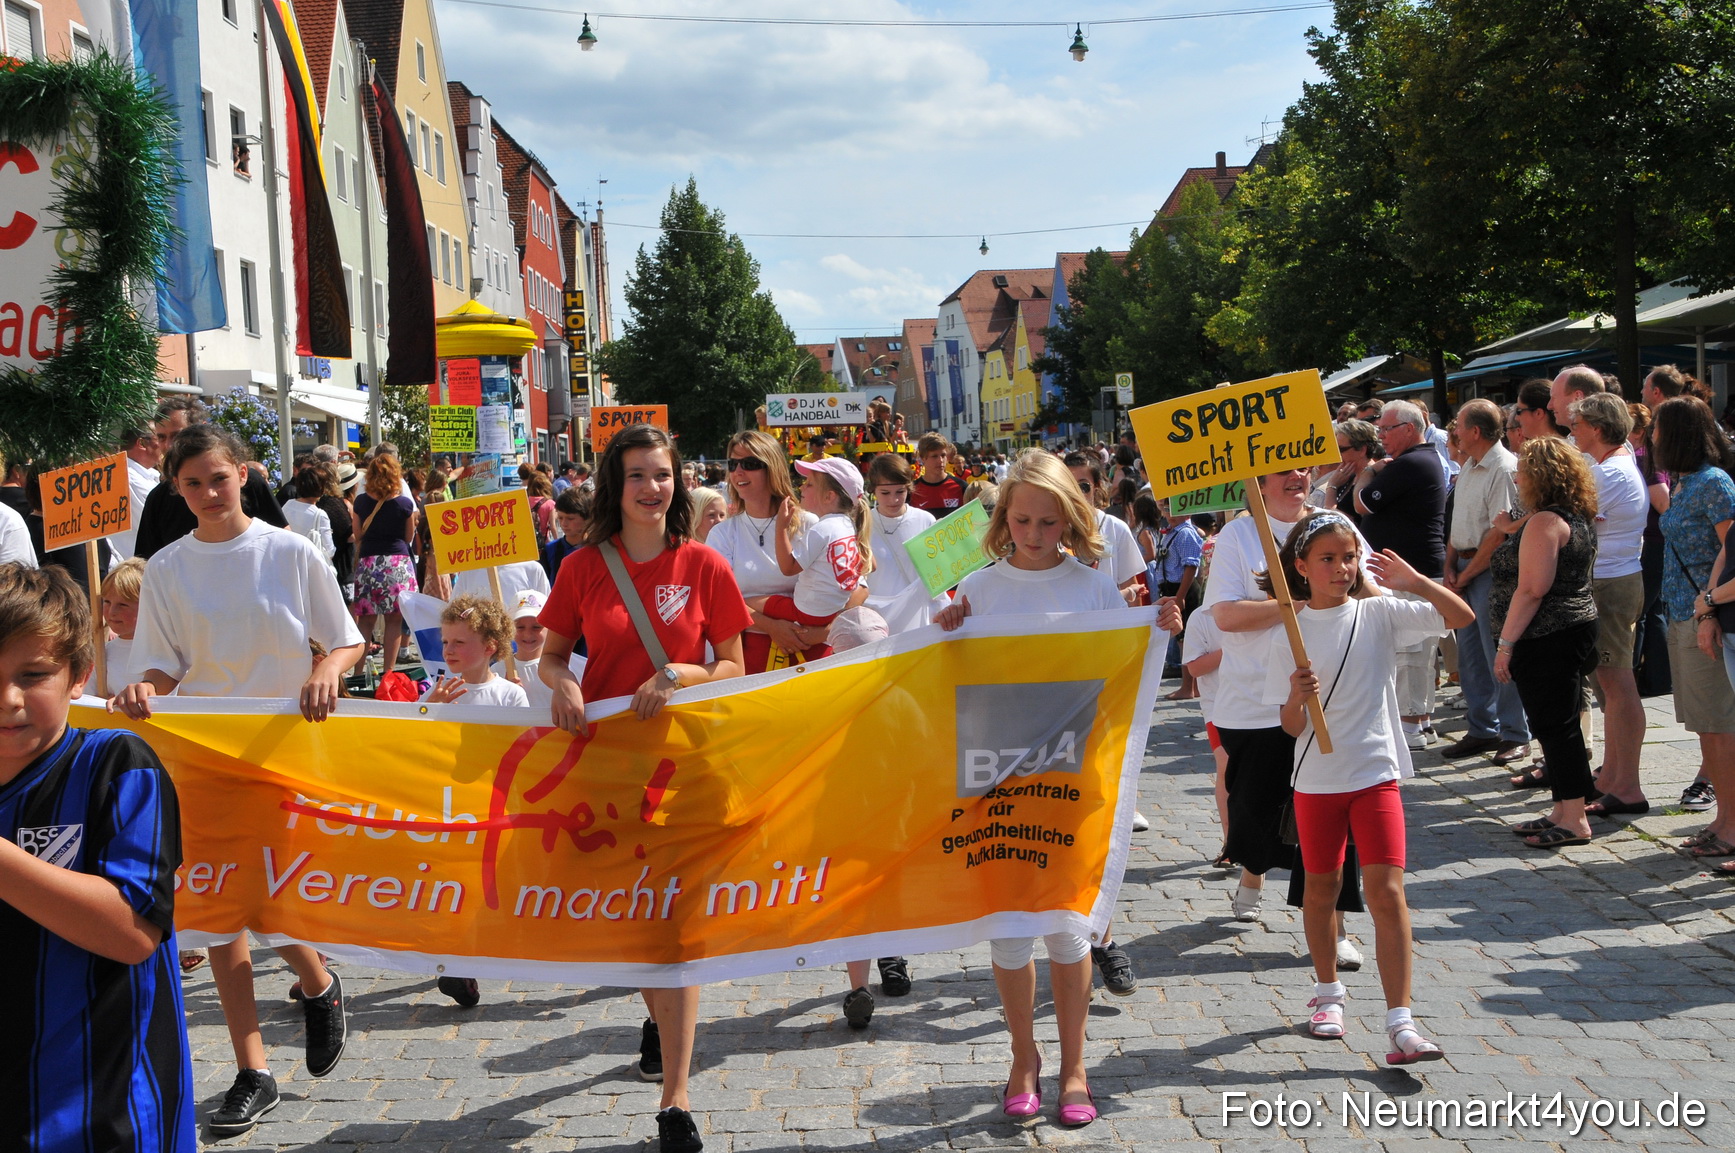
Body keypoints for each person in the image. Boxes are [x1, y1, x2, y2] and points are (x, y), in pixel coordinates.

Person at [108, 423, 362, 1136]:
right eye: (191, 484)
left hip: (281, 745)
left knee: (268, 894)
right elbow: (161, 663)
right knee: (220, 910)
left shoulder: (288, 550)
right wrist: (143, 691)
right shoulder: (165, 566)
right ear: (175, 489)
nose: (207, 493)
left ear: (243, 473)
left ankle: (317, 981)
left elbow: (345, 637)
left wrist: (323, 669)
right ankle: (254, 1068)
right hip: (204, 749)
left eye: (218, 478)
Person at [536, 423, 752, 1153]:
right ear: (613, 485)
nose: (651, 488)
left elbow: (734, 667)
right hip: (607, 772)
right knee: (636, 926)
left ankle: (676, 1098)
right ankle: (659, 1019)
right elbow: (553, 655)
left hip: (686, 768)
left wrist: (685, 675)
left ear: (678, 482)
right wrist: (561, 682)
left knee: (675, 933)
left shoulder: (705, 565)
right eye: (636, 476)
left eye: (662, 475)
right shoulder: (580, 567)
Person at [935, 450, 1118, 1127]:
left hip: (1072, 779)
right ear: (1002, 518)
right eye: (1020, 520)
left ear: (1069, 518)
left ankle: (1074, 1064)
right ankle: (1022, 1056)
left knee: (1068, 930)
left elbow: (1118, 680)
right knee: (1008, 932)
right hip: (994, 777)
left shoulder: (1095, 588)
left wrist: (1157, 631)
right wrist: (945, 634)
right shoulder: (977, 589)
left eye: (1047, 521)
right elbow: (945, 683)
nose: (1034, 533)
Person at [1260, 511, 1470, 1064]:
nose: (1341, 568)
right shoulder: (1290, 629)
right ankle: (1327, 993)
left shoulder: (1379, 614)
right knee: (1321, 891)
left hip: (1376, 772)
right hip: (1317, 780)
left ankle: (1401, 1020)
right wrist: (1295, 698)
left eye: (1348, 557)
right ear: (1301, 568)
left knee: (1387, 891)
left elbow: (1461, 616)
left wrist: (1416, 581)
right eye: (1327, 559)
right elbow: (1287, 727)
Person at [0, 563, 196, 1152]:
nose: (7, 699)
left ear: (80, 676)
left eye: (32, 675)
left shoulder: (116, 765)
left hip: (105, 1115)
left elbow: (132, 932)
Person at [1204, 468, 1374, 957]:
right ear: (1257, 482)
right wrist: (1298, 605)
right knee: (1255, 814)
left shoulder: (1333, 523)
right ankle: (1252, 873)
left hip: (1325, 697)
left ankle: (1336, 928)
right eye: (1283, 470)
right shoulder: (1239, 533)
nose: (1297, 477)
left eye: (1303, 466)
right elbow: (1228, 616)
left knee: (1327, 818)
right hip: (1253, 702)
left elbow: (1364, 591)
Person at [1489, 438, 1600, 848]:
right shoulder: (1573, 513)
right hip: (1572, 627)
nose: (1516, 477)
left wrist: (1505, 644)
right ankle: (1563, 808)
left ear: (1539, 476)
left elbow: (1533, 589)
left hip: (1549, 634)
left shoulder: (1546, 521)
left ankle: (1574, 819)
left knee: (1557, 726)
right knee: (1557, 724)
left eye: (1522, 470)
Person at [1653, 396, 1735, 847]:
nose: (1652, 437)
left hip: (1706, 615)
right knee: (1706, 727)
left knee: (1721, 728)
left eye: (1659, 429)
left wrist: (1710, 610)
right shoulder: (1683, 482)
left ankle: (1731, 826)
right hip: (1683, 612)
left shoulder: (1713, 482)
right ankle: (1723, 821)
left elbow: (1732, 552)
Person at [1568, 394, 1650, 819]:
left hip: (1613, 583)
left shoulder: (1612, 471)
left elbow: (1563, 510)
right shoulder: (1609, 466)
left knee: (1618, 684)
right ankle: (1613, 777)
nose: (1571, 433)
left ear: (1597, 429)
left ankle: (1627, 785)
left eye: (1577, 425)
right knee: (1608, 685)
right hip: (1608, 580)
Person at [1439, 399, 1531, 764]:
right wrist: (1450, 564)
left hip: (1487, 571)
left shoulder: (1503, 468)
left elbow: (1498, 534)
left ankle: (1515, 732)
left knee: (1498, 654)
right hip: (1465, 569)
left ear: (1475, 431)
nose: (1454, 431)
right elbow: (1457, 523)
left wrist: (1464, 573)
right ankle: (1482, 729)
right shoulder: (1470, 466)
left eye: (1459, 424)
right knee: (1472, 656)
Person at [1354, 400, 1447, 751]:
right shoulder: (1421, 460)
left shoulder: (1410, 463)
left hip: (1411, 572)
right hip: (1413, 570)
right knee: (1419, 650)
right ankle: (1420, 721)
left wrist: (1370, 471)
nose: (1381, 437)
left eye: (1386, 430)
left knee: (1410, 650)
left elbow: (1363, 503)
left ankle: (1411, 723)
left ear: (1409, 428)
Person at [705, 431, 833, 674]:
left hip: (811, 648)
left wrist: (821, 632)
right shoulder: (723, 534)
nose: (738, 472)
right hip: (749, 655)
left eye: (750, 464)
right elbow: (717, 603)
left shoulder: (809, 523)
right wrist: (772, 627)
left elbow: (846, 589)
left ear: (771, 468)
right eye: (733, 464)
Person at [132, 397, 288, 559]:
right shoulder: (158, 498)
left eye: (177, 435)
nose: (169, 445)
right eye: (162, 437)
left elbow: (282, 539)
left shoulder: (249, 482)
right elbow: (144, 562)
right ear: (178, 486)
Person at [760, 457, 873, 664]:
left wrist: (781, 528)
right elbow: (870, 566)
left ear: (829, 496)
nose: (802, 486)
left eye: (810, 484)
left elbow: (787, 567)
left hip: (807, 612)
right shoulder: (848, 525)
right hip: (833, 611)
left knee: (747, 602)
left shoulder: (822, 528)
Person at [861, 453, 943, 633]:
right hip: (875, 623)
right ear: (873, 490)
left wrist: (942, 609)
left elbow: (937, 576)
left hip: (918, 622)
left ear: (909, 488)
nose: (894, 500)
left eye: (900, 492)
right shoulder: (862, 524)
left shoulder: (925, 520)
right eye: (885, 493)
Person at [352, 454, 420, 673]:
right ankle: (388, 673)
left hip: (369, 563)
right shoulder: (404, 503)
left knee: (365, 621)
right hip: (397, 564)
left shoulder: (360, 502)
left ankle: (358, 672)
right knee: (394, 621)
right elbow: (408, 536)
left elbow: (357, 534)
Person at [1182, 606, 1231, 864]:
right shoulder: (1202, 616)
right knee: (1226, 765)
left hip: (1263, 704)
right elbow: (1194, 668)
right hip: (1218, 706)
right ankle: (1230, 842)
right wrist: (1234, 648)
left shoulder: (1269, 607)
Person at [420, 595, 530, 708]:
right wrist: (429, 708)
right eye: (445, 642)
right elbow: (411, 724)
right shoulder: (439, 693)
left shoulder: (510, 695)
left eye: (459, 642)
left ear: (489, 647)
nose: (448, 650)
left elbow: (522, 726)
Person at [98, 557, 147, 698]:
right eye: (107, 602)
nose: (112, 612)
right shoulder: (102, 653)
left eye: (123, 605)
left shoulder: (165, 651)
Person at [110, 424, 161, 559]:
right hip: (136, 567)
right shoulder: (129, 478)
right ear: (142, 443)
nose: (165, 445)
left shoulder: (143, 475)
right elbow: (159, 523)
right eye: (160, 438)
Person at [1317, 420, 1382, 523]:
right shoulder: (1348, 476)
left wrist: (1332, 487)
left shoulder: (1375, 480)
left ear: (1362, 450)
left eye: (1341, 450)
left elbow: (1346, 522)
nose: (1337, 456)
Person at [283, 466, 337, 565]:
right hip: (311, 567)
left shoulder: (287, 505)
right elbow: (330, 551)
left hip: (289, 562)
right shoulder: (320, 515)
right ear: (321, 487)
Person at [909, 432, 966, 513]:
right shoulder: (912, 491)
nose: (940, 461)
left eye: (943, 455)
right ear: (922, 458)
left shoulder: (961, 487)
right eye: (934, 456)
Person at [546, 486, 592, 579]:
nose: (564, 524)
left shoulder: (599, 550)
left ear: (587, 518)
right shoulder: (550, 550)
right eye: (560, 517)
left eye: (570, 518)